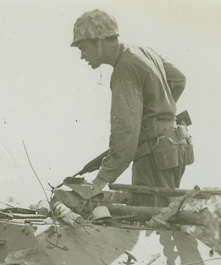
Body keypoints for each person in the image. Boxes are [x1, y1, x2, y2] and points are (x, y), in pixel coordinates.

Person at [70, 9, 192, 206]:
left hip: (154, 155)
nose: (83, 56)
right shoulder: (143, 52)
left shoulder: (124, 70)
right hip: (173, 148)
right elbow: (178, 80)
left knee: (151, 220)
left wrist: (101, 180)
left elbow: (126, 134)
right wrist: (156, 116)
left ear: (99, 42)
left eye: (83, 48)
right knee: (164, 213)